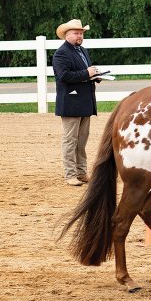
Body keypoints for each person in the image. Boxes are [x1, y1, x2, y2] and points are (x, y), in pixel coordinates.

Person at [52, 19, 101, 186]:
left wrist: (94, 75)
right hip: (71, 102)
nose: (80, 36)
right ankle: (70, 174)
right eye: (76, 33)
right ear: (67, 35)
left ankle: (81, 172)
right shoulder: (61, 53)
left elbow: (82, 73)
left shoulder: (82, 50)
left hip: (84, 102)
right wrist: (86, 73)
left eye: (81, 33)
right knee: (70, 140)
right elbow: (63, 76)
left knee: (81, 141)